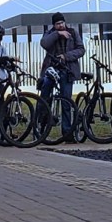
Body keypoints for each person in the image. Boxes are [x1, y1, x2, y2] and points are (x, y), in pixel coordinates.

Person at [39, 12, 86, 142]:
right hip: (51, 69)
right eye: (57, 24)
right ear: (54, 25)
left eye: (61, 23)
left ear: (65, 22)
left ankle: (67, 133)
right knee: (45, 98)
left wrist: (66, 56)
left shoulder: (73, 32)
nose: (60, 25)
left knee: (66, 101)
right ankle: (40, 130)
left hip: (67, 70)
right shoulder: (50, 33)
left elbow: (81, 49)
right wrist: (57, 34)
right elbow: (44, 44)